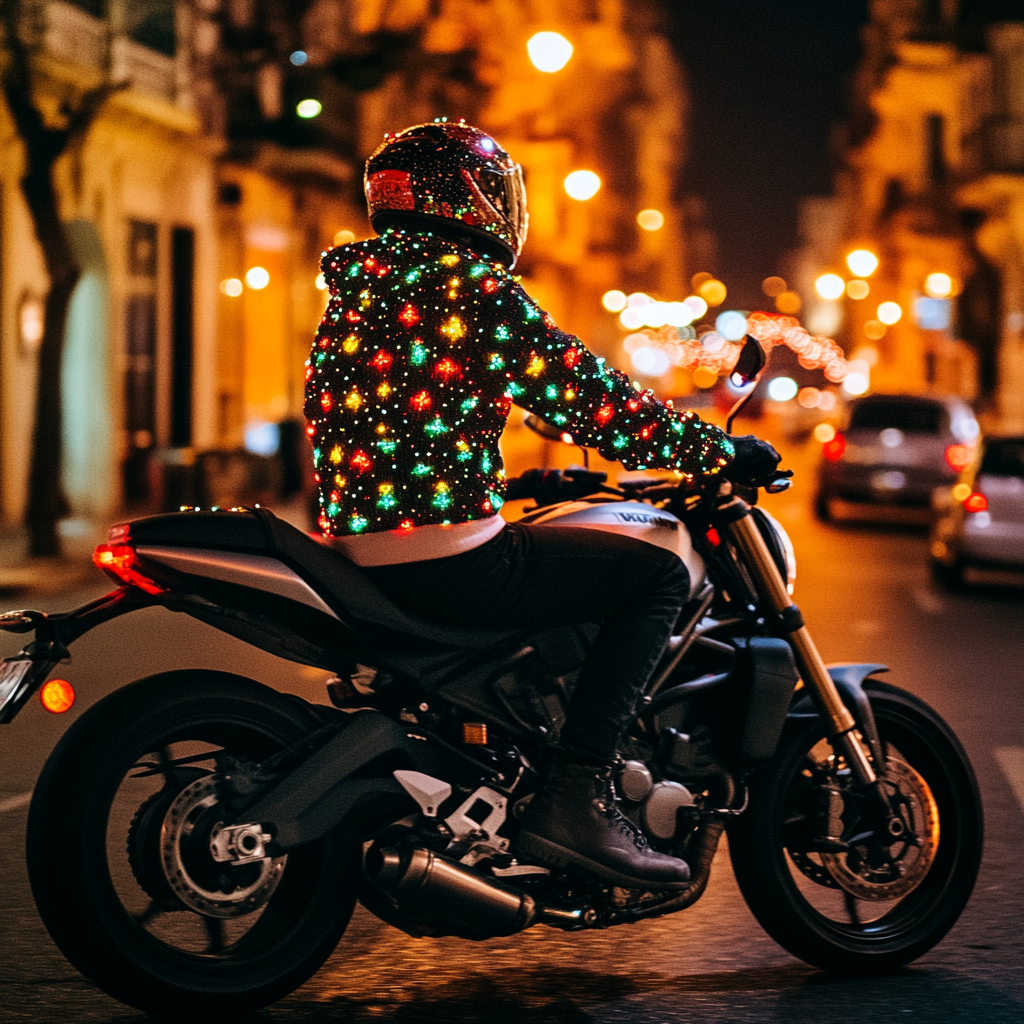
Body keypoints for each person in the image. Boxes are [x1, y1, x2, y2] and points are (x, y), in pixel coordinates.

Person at [304, 121, 780, 890]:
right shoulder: (470, 288)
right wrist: (715, 450)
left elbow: (400, 425)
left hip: (363, 545)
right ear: (470, 198)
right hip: (449, 555)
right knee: (656, 571)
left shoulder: (355, 296)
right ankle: (577, 792)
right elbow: (596, 404)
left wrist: (526, 484)